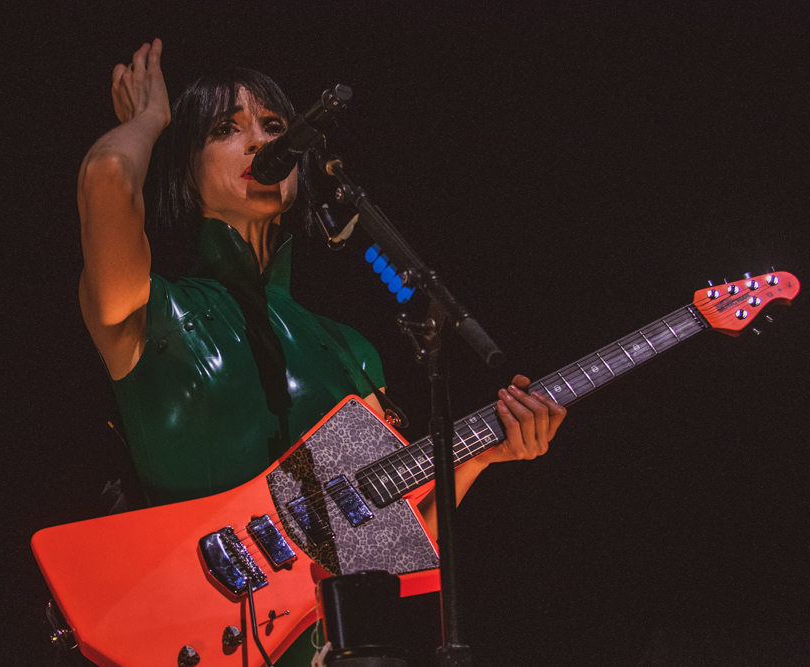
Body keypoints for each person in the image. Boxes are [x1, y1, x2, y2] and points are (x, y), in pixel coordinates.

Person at [77, 38, 567, 666]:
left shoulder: (350, 349)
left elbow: (381, 539)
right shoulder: (155, 312)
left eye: (274, 126)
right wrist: (147, 121)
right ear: (185, 171)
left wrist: (482, 457)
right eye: (227, 129)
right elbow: (107, 177)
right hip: (187, 646)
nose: (259, 142)